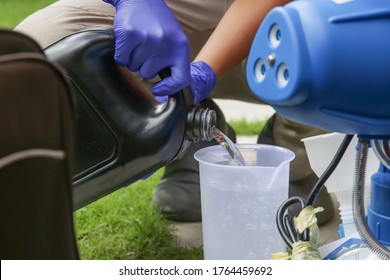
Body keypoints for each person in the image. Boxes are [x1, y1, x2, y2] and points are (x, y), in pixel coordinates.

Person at [15, 0, 334, 225]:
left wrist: (206, 69)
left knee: (347, 31)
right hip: (182, 10)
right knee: (39, 45)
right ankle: (193, 144)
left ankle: (296, 166)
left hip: (285, 27)